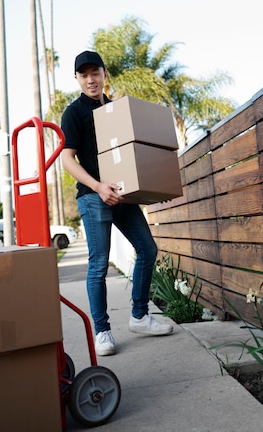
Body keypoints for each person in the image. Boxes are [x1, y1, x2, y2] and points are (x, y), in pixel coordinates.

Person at [61, 50, 173, 356]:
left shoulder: (115, 110)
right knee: (98, 265)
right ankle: (102, 331)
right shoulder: (74, 113)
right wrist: (98, 187)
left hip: (123, 196)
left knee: (148, 249)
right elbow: (66, 159)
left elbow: (134, 154)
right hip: (94, 197)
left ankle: (139, 316)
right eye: (83, 75)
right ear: (77, 79)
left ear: (103, 74)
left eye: (94, 73)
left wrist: (148, 186)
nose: (90, 80)